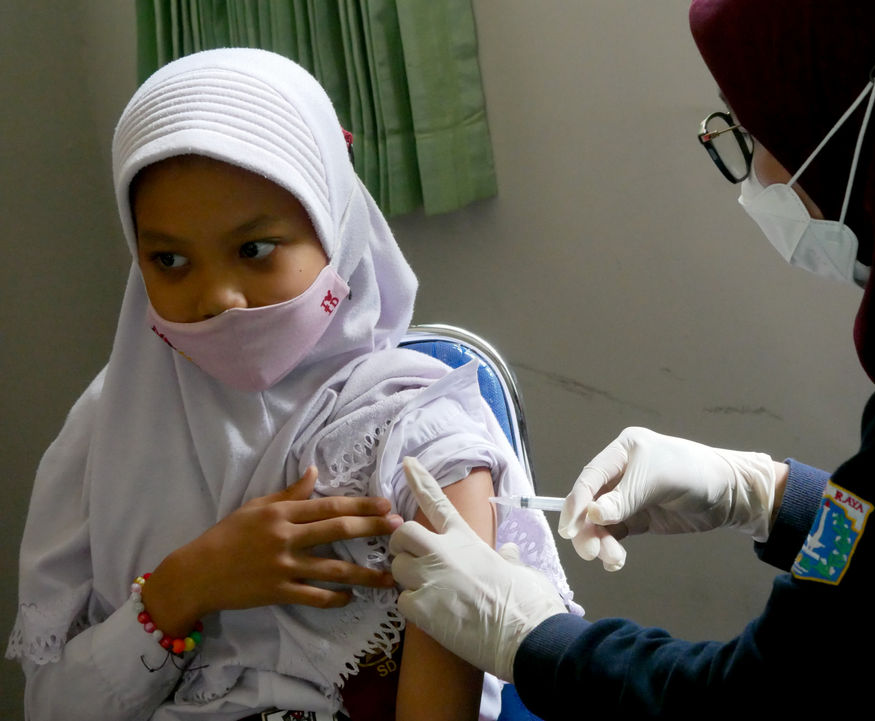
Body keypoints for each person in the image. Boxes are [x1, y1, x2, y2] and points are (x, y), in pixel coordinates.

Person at [388, 0, 875, 716]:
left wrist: (532, 636)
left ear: (862, 107)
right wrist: (774, 496)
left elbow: (760, 702)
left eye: (750, 128)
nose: (758, 171)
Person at [5, 48, 576, 721]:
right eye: (169, 259)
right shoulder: (105, 430)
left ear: (332, 227)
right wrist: (184, 585)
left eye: (254, 249)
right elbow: (52, 708)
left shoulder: (418, 435)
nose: (219, 297)